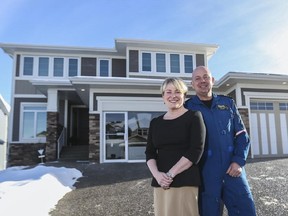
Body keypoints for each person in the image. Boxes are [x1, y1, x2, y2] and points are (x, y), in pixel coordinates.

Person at [185, 66, 256, 216]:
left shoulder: (228, 103)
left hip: (233, 169)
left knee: (245, 209)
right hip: (206, 172)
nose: (202, 81)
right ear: (192, 84)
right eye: (197, 78)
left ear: (212, 80)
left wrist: (238, 161)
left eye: (205, 77)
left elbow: (242, 135)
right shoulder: (187, 108)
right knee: (209, 211)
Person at [145, 77, 206, 216]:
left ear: (184, 96)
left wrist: (170, 174)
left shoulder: (194, 116)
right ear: (163, 96)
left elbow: (196, 150)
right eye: (168, 92)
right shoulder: (155, 123)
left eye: (177, 92)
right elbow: (150, 153)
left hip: (184, 181)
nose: (173, 96)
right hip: (161, 183)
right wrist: (158, 176)